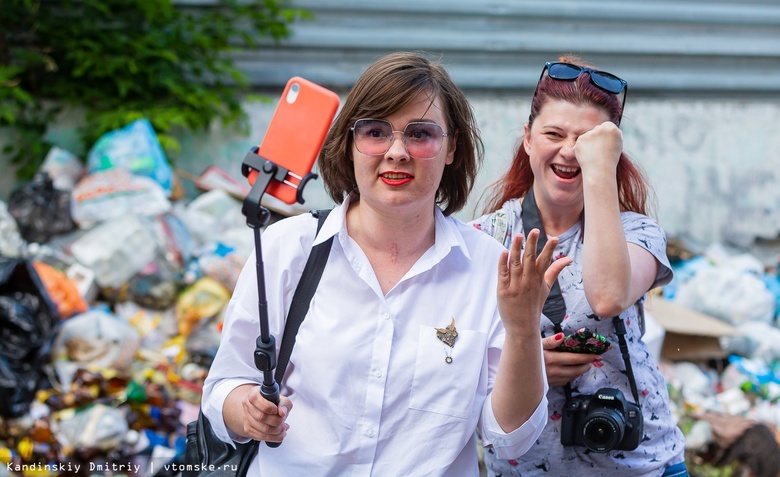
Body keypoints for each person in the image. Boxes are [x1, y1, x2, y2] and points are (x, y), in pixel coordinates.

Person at [201, 51, 571, 476]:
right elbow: (223, 387)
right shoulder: (290, 248)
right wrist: (245, 410)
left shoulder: (491, 268)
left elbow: (509, 437)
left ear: (451, 148)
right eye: (376, 132)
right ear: (350, 145)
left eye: (420, 134)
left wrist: (524, 329)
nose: (397, 152)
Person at [471, 55, 687, 477]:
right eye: (554, 134)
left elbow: (607, 296)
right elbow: (454, 357)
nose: (568, 151)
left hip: (642, 466)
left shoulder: (637, 234)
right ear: (528, 139)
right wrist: (524, 366)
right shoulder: (482, 237)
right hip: (525, 467)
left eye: (586, 142)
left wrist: (601, 170)